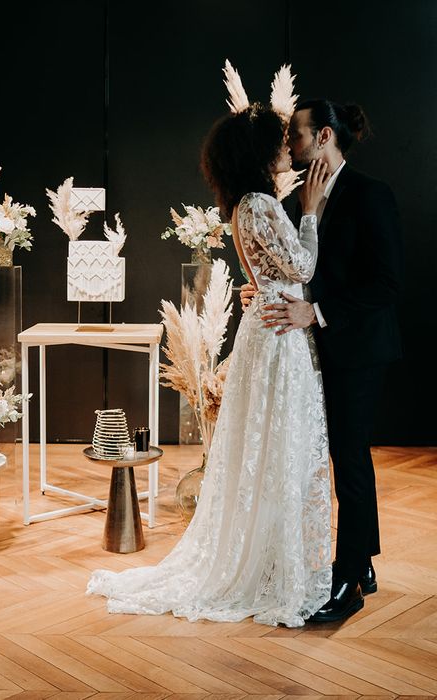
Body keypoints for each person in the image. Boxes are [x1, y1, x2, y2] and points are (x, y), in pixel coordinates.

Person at [87, 103, 333, 628]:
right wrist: (310, 209)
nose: (286, 150)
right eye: (278, 143)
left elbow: (273, 273)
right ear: (258, 153)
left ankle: (269, 555)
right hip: (277, 339)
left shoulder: (244, 205)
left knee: (265, 446)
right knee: (277, 445)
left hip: (266, 328)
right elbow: (304, 266)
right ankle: (274, 564)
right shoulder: (262, 205)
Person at [249, 100, 402, 622]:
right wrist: (267, 294)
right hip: (315, 348)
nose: (290, 142)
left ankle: (350, 580)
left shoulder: (371, 194)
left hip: (359, 348)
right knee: (339, 455)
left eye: (297, 132)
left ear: (325, 137)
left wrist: (315, 311)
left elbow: (386, 284)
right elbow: (297, 267)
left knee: (351, 458)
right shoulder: (298, 204)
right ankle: (365, 560)